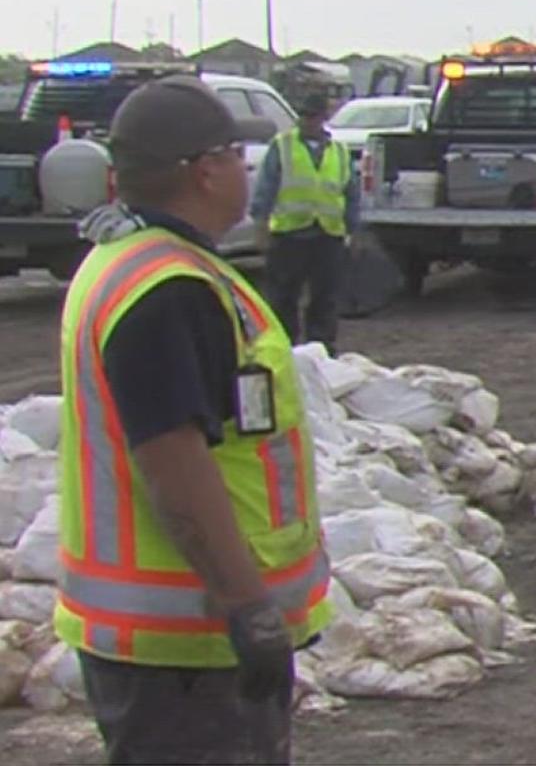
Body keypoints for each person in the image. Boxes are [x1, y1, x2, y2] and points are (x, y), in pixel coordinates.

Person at [54, 76, 332, 764]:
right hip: (187, 650)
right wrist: (247, 605)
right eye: (238, 155)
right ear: (205, 171)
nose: (246, 168)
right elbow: (173, 461)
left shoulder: (128, 262)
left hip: (169, 647)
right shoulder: (170, 288)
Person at [250, 93, 359, 354]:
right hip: (290, 235)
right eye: (303, 116)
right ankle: (285, 350)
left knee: (325, 299)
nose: (307, 121)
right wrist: (261, 226)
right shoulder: (283, 146)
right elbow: (266, 188)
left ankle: (321, 351)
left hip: (328, 234)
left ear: (323, 118)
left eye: (312, 116)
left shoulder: (339, 152)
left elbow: (351, 193)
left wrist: (353, 230)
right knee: (283, 297)